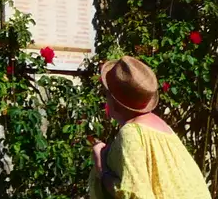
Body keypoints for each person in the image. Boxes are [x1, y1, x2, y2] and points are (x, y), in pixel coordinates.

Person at [90, 56, 210, 199]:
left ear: (115, 103)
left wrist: (101, 168)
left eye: (107, 94)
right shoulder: (161, 127)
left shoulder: (132, 132)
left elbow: (134, 195)